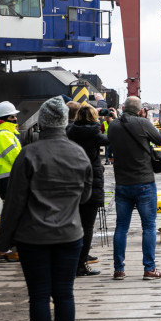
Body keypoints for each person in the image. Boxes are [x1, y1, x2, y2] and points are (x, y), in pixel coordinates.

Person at [0, 97, 90, 321]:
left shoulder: (28, 154)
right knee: (64, 294)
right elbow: (84, 196)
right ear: (63, 122)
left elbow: (14, 203)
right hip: (69, 235)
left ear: (42, 122)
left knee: (38, 295)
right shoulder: (79, 154)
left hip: (32, 238)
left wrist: (3, 243)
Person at [107, 96, 161, 280]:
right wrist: (146, 120)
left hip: (122, 183)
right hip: (144, 183)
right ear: (140, 110)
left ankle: (119, 269)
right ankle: (149, 269)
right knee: (148, 226)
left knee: (121, 227)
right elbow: (160, 140)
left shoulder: (114, 126)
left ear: (123, 107)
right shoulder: (142, 123)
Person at [66, 104, 108, 277]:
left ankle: (71, 261)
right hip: (91, 181)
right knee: (88, 226)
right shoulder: (96, 134)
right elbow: (111, 139)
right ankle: (82, 264)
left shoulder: (69, 131)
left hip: (71, 180)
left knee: (72, 224)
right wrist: (109, 120)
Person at [0, 101, 22, 262]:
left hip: (7, 179)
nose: (16, 118)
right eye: (12, 116)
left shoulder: (5, 133)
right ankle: (11, 250)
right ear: (4, 118)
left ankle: (3, 249)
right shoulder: (3, 135)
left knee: (11, 215)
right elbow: (18, 158)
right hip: (10, 180)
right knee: (16, 215)